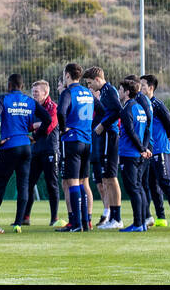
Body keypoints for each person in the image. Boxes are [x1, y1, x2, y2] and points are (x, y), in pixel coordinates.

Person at [0, 73, 47, 226]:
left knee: (0, 184)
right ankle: (18, 223)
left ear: (9, 85)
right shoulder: (30, 101)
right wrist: (36, 136)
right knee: (23, 185)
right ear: (22, 87)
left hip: (9, 146)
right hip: (26, 147)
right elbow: (47, 119)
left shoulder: (3, 99)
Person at [55, 62, 96, 232]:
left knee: (71, 182)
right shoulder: (88, 92)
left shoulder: (68, 92)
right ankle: (86, 222)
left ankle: (76, 223)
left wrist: (64, 128)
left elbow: (60, 112)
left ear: (67, 75)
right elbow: (101, 110)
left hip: (72, 141)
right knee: (81, 182)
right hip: (87, 141)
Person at [83, 66, 123, 228]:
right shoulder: (104, 92)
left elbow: (117, 111)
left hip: (110, 136)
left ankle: (117, 218)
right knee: (106, 178)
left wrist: (102, 125)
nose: (89, 86)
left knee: (111, 178)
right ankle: (113, 217)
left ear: (98, 79)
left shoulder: (109, 91)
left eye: (90, 82)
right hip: (104, 137)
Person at [140, 74, 170, 228]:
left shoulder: (157, 104)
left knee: (165, 181)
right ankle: (160, 217)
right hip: (149, 149)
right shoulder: (142, 104)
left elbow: (169, 123)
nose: (140, 88)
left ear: (151, 87)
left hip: (160, 148)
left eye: (143, 85)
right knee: (152, 184)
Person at [116, 78, 153, 232]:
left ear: (127, 92)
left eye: (120, 89)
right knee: (138, 187)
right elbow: (147, 129)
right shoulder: (140, 108)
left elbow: (131, 132)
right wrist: (143, 148)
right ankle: (142, 222)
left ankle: (138, 223)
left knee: (133, 188)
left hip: (129, 154)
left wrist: (141, 148)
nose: (118, 92)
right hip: (138, 154)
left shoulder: (127, 110)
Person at [28, 79, 62, 227]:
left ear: (45, 93)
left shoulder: (53, 107)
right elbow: (26, 125)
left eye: (36, 92)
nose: (34, 95)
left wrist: (35, 126)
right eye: (32, 92)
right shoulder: (31, 107)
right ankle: (25, 217)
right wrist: (34, 125)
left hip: (50, 150)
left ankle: (54, 217)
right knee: (28, 184)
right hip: (35, 151)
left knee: (52, 184)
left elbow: (49, 126)